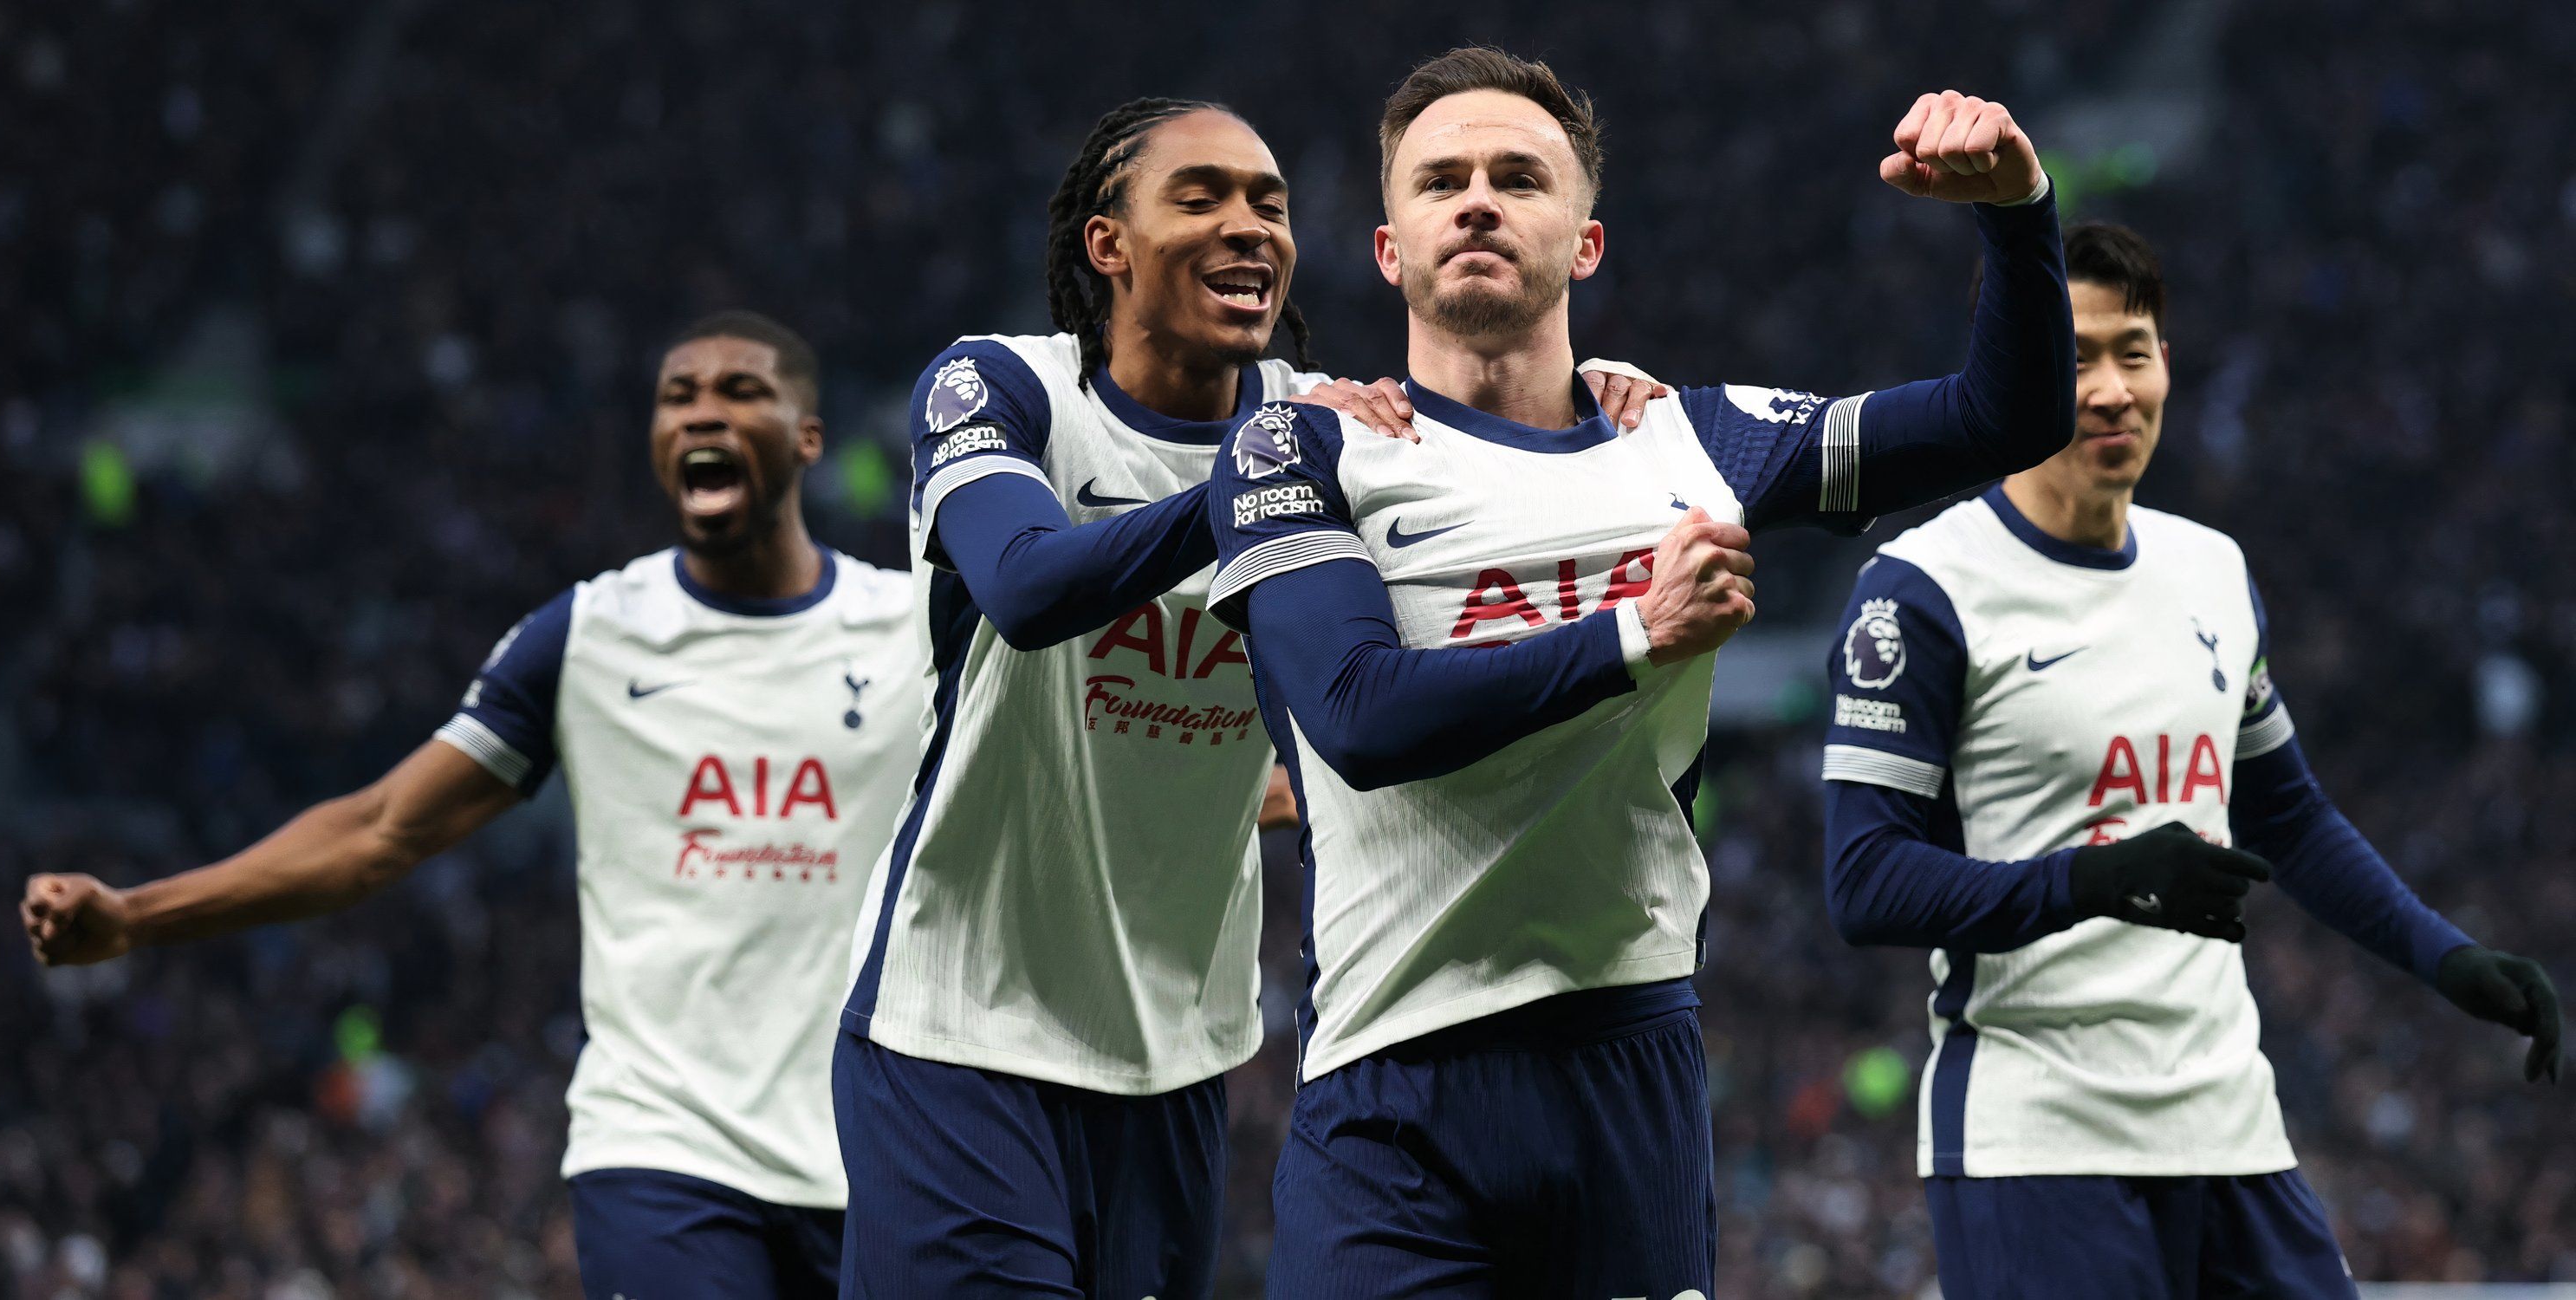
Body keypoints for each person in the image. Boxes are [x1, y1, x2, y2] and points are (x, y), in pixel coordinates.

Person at [1201, 47, 2077, 1297]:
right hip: (1392, 1090)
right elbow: (1358, 715)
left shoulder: (1686, 438)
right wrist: (1634, 633)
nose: (1479, 200)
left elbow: (2007, 416)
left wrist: (2018, 214)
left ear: (1588, 242)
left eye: (1519, 175)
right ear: (1390, 250)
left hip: (1629, 1068)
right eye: (1440, 179)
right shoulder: (1306, 447)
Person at [832, 96, 1659, 1297]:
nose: (1250, 227)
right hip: (960, 1030)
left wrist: (1602, 409)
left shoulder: (1329, 427)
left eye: (1269, 203)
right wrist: (1253, 481)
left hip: (1176, 1050)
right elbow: (1023, 587)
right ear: (1107, 245)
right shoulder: (1008, 390)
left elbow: (1485, 538)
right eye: (1201, 197)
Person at [23, 312, 927, 1299]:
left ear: (808, 437)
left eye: (741, 391)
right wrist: (134, 915)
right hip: (666, 1150)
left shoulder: (910, 631)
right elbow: (377, 829)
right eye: (679, 396)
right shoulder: (588, 636)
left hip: (874, 1154)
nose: (703, 412)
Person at [1818, 222, 2562, 1299]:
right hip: (2038, 1138)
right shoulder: (1923, 589)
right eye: (2073, 356)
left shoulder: (2211, 570)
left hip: (2231, 1125)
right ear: (2006, 366)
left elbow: (2289, 818)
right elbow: (1864, 882)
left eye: (2137, 349)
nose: (2114, 388)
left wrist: (2448, 960)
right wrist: (2095, 879)